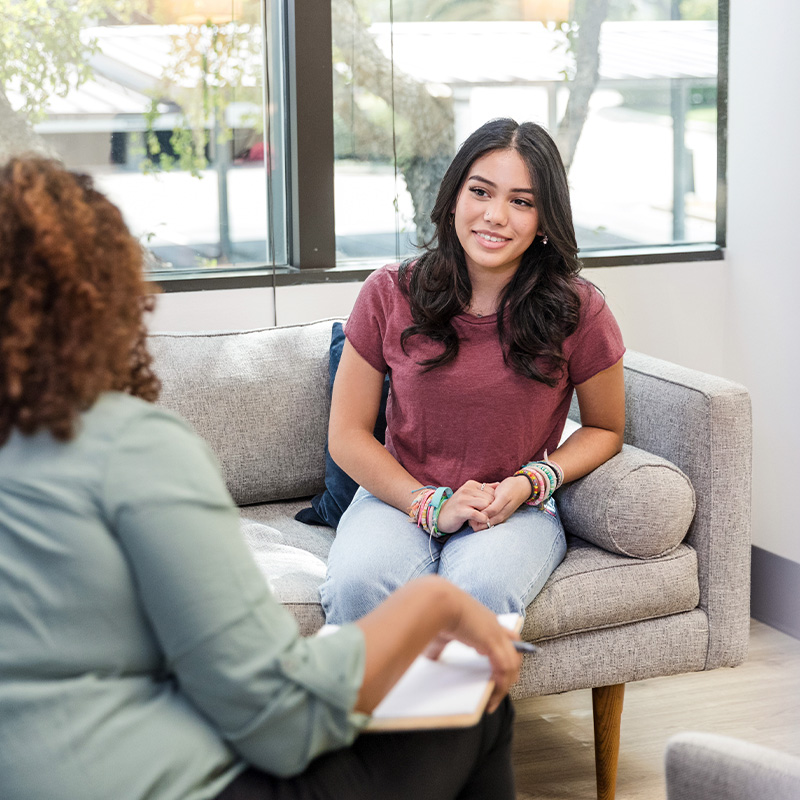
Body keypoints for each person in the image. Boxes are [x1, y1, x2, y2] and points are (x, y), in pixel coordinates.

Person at [0, 156, 522, 800]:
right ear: (100, 297)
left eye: (520, 202)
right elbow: (280, 720)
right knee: (478, 706)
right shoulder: (126, 447)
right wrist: (431, 605)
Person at [320, 118, 626, 625]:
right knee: (358, 586)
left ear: (545, 220)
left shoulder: (580, 310)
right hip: (400, 498)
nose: (495, 216)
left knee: (480, 591)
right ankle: (371, 706)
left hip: (514, 507)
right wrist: (429, 505)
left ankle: (458, 707)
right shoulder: (388, 292)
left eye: (522, 202)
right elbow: (348, 435)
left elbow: (605, 428)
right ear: (454, 196)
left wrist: (533, 482)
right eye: (480, 191)